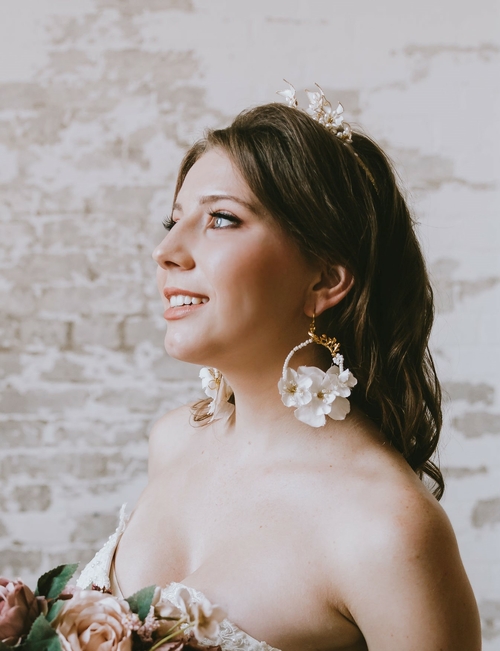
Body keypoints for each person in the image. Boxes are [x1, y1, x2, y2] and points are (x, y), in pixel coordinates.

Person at [77, 84, 482, 650]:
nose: (166, 251)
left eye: (221, 219)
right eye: (173, 221)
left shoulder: (385, 527)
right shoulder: (173, 441)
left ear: (325, 280)